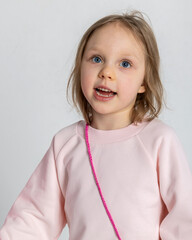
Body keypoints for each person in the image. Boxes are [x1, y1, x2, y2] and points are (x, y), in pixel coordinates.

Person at [0, 10, 192, 240]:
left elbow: (184, 218)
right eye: (97, 59)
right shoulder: (65, 144)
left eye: (125, 63)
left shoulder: (159, 140)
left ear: (144, 81)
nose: (107, 73)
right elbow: (33, 219)